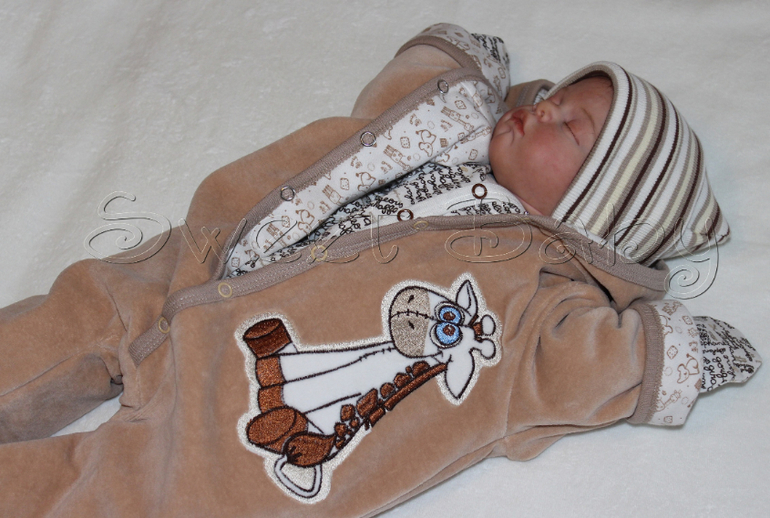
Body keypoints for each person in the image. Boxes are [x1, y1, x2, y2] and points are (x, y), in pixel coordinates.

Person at [0, 22, 761, 516]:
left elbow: (584, 367)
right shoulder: (443, 130)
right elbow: (398, 98)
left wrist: (672, 353)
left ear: (596, 205)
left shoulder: (537, 301)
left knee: (117, 493)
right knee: (78, 313)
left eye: (571, 126)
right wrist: (455, 62)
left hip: (231, 417)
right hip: (205, 261)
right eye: (555, 96)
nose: (543, 108)